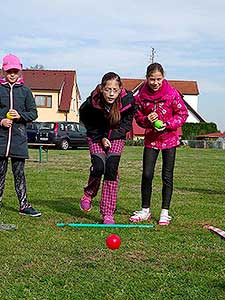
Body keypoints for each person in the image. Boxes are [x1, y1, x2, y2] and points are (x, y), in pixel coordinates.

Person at [130, 63, 188, 225]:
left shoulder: (172, 94)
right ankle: (145, 210)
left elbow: (183, 113)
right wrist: (147, 120)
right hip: (151, 140)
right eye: (152, 79)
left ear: (163, 78)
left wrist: (168, 124)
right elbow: (138, 117)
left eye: (158, 79)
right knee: (147, 174)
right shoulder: (141, 97)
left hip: (169, 140)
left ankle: (165, 211)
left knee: (167, 176)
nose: (155, 83)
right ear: (147, 78)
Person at [79, 72, 136, 224]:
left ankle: (108, 213)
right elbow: (88, 122)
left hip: (117, 136)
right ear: (102, 88)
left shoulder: (128, 101)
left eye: (114, 90)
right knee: (98, 167)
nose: (111, 94)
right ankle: (88, 194)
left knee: (111, 168)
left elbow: (126, 125)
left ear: (120, 89)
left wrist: (109, 137)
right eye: (107, 89)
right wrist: (101, 137)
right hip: (96, 136)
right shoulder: (92, 103)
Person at [0, 54, 41, 216]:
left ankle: (24, 205)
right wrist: (1, 120)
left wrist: (20, 116)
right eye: (9, 71)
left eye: (15, 71)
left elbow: (33, 113)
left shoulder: (25, 91)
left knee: (19, 174)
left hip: (18, 140)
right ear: (4, 71)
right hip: (1, 141)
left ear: (20, 72)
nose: (12, 74)